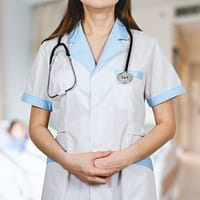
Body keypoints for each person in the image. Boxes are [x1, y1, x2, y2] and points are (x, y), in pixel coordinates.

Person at [21, 0, 185, 199]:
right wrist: (67, 161)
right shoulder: (51, 50)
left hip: (131, 183)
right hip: (67, 182)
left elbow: (167, 125)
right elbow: (37, 126)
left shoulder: (146, 47)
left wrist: (123, 159)